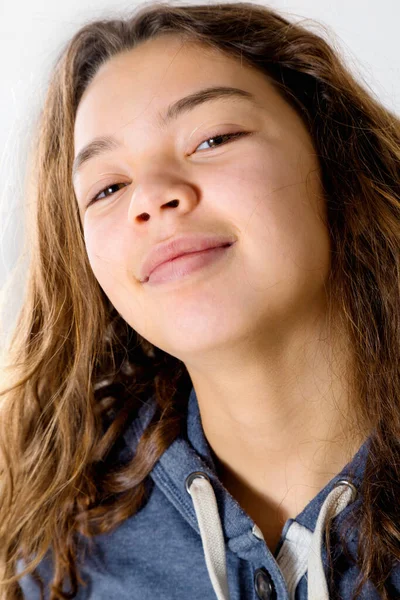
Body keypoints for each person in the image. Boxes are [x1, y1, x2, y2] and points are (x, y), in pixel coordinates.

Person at [0, 1, 399, 599]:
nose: (153, 197)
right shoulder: (57, 545)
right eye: (108, 186)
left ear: (336, 160)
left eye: (212, 138)